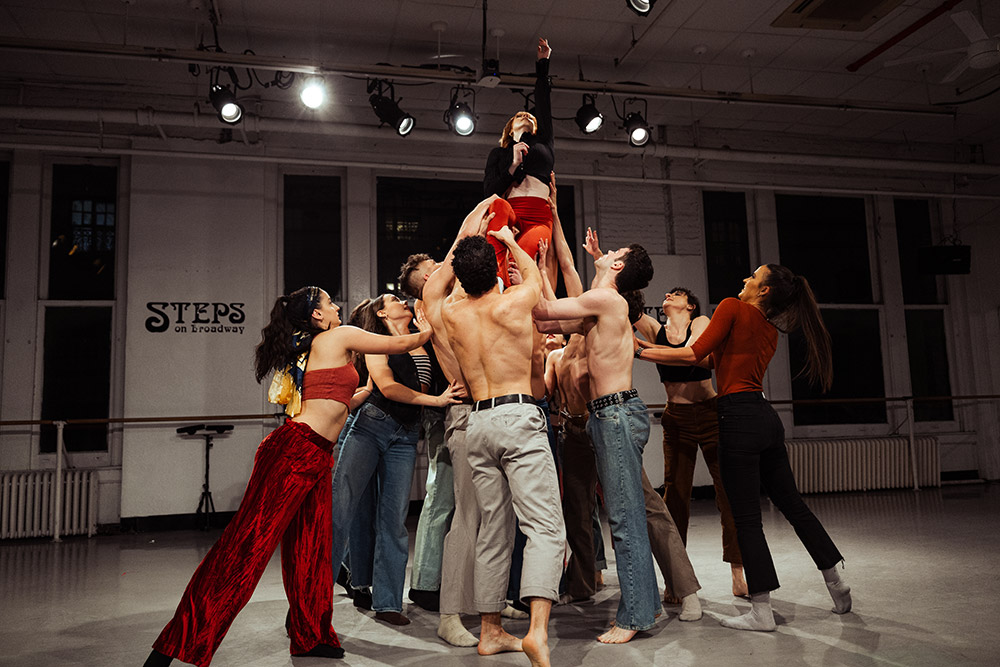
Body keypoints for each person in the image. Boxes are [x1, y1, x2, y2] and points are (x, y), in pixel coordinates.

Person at [144, 286, 434, 666]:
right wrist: (429, 326)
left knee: (311, 550)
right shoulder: (338, 335)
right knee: (246, 548)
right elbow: (400, 345)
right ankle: (174, 645)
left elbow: (332, 400)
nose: (337, 306)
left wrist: (359, 395)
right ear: (316, 314)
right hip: (294, 452)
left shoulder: (321, 346)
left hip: (317, 455)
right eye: (330, 302)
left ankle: (311, 635)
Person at [635, 264, 852, 631]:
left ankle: (761, 612)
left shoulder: (731, 307)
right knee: (793, 506)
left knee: (747, 517)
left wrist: (637, 353)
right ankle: (836, 581)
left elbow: (692, 355)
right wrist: (652, 347)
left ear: (764, 290)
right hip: (765, 416)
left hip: (736, 417)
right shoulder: (769, 328)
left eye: (752, 277)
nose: (744, 280)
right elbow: (708, 360)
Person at [532, 231, 669, 644]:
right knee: (625, 516)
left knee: (625, 519)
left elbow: (540, 309)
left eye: (616, 252)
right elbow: (554, 320)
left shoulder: (610, 301)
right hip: (610, 413)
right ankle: (645, 602)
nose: (608, 250)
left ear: (619, 267)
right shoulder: (607, 302)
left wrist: (520, 253)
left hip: (615, 415)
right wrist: (546, 268)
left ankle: (635, 616)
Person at [441, 225, 566, 667]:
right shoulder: (514, 301)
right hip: (517, 415)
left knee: (493, 532)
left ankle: (490, 631)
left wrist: (464, 244)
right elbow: (535, 282)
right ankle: (535, 633)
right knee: (546, 529)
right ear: (495, 269)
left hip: (477, 422)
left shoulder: (451, 312)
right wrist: (511, 241)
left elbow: (446, 282)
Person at [330, 294, 461, 626]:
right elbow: (387, 387)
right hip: (370, 426)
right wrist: (436, 400)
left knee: (393, 519)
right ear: (382, 311)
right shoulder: (378, 342)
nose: (403, 302)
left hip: (405, 434)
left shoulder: (423, 341)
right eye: (393, 300)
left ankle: (388, 602)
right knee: (340, 512)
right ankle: (314, 600)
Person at [632, 287, 747, 599]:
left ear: (691, 305)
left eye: (677, 294)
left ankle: (738, 572)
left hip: (709, 414)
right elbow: (628, 307)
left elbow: (697, 353)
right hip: (676, 419)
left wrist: (644, 350)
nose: (668, 296)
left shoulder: (700, 323)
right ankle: (675, 580)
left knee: (727, 493)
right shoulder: (656, 331)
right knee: (676, 497)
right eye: (666, 294)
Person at [398, 253, 452, 613]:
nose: (437, 268)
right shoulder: (428, 305)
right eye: (429, 267)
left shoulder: (442, 301)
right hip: (444, 410)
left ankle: (439, 579)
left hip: (449, 408)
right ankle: (426, 583)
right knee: (441, 493)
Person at [483, 37, 554, 285]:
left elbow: (543, 99)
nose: (525, 114)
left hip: (537, 214)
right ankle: (491, 280)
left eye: (528, 115)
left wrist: (543, 64)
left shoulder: (543, 141)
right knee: (497, 207)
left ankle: (503, 285)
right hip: (511, 210)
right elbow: (489, 191)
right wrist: (512, 166)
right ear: (508, 128)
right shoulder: (499, 153)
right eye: (518, 116)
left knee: (516, 262)